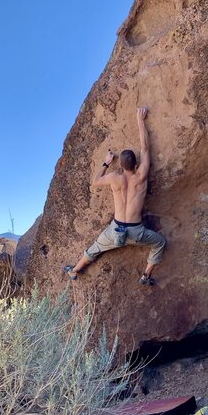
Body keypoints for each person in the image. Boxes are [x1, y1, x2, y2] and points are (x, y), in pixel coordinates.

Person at [63, 106, 166, 285]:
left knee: (95, 248)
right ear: (136, 165)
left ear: (121, 166)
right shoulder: (141, 176)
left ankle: (74, 271)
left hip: (115, 231)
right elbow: (145, 148)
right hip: (137, 232)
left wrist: (106, 162)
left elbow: (95, 181)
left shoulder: (114, 178)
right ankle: (145, 276)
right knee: (160, 243)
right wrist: (140, 121)